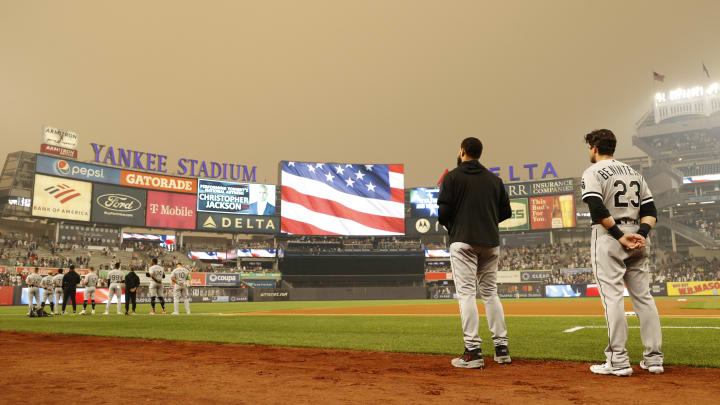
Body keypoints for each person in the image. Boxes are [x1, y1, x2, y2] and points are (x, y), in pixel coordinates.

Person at [581, 129, 663, 377]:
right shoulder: (635, 174)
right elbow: (651, 210)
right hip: (637, 236)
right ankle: (654, 359)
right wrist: (642, 234)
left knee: (613, 299)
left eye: (588, 147)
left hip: (610, 237)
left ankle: (618, 360)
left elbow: (596, 208)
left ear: (595, 147)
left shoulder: (593, 172)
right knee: (644, 299)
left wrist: (619, 236)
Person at [437, 137, 512, 369]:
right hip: (490, 242)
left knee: (467, 294)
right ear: (480, 153)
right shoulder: (494, 179)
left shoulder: (451, 177)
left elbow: (443, 214)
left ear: (462, 151)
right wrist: (486, 222)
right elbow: (506, 212)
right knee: (490, 293)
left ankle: (473, 351)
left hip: (463, 241)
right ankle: (502, 349)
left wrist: (458, 226)